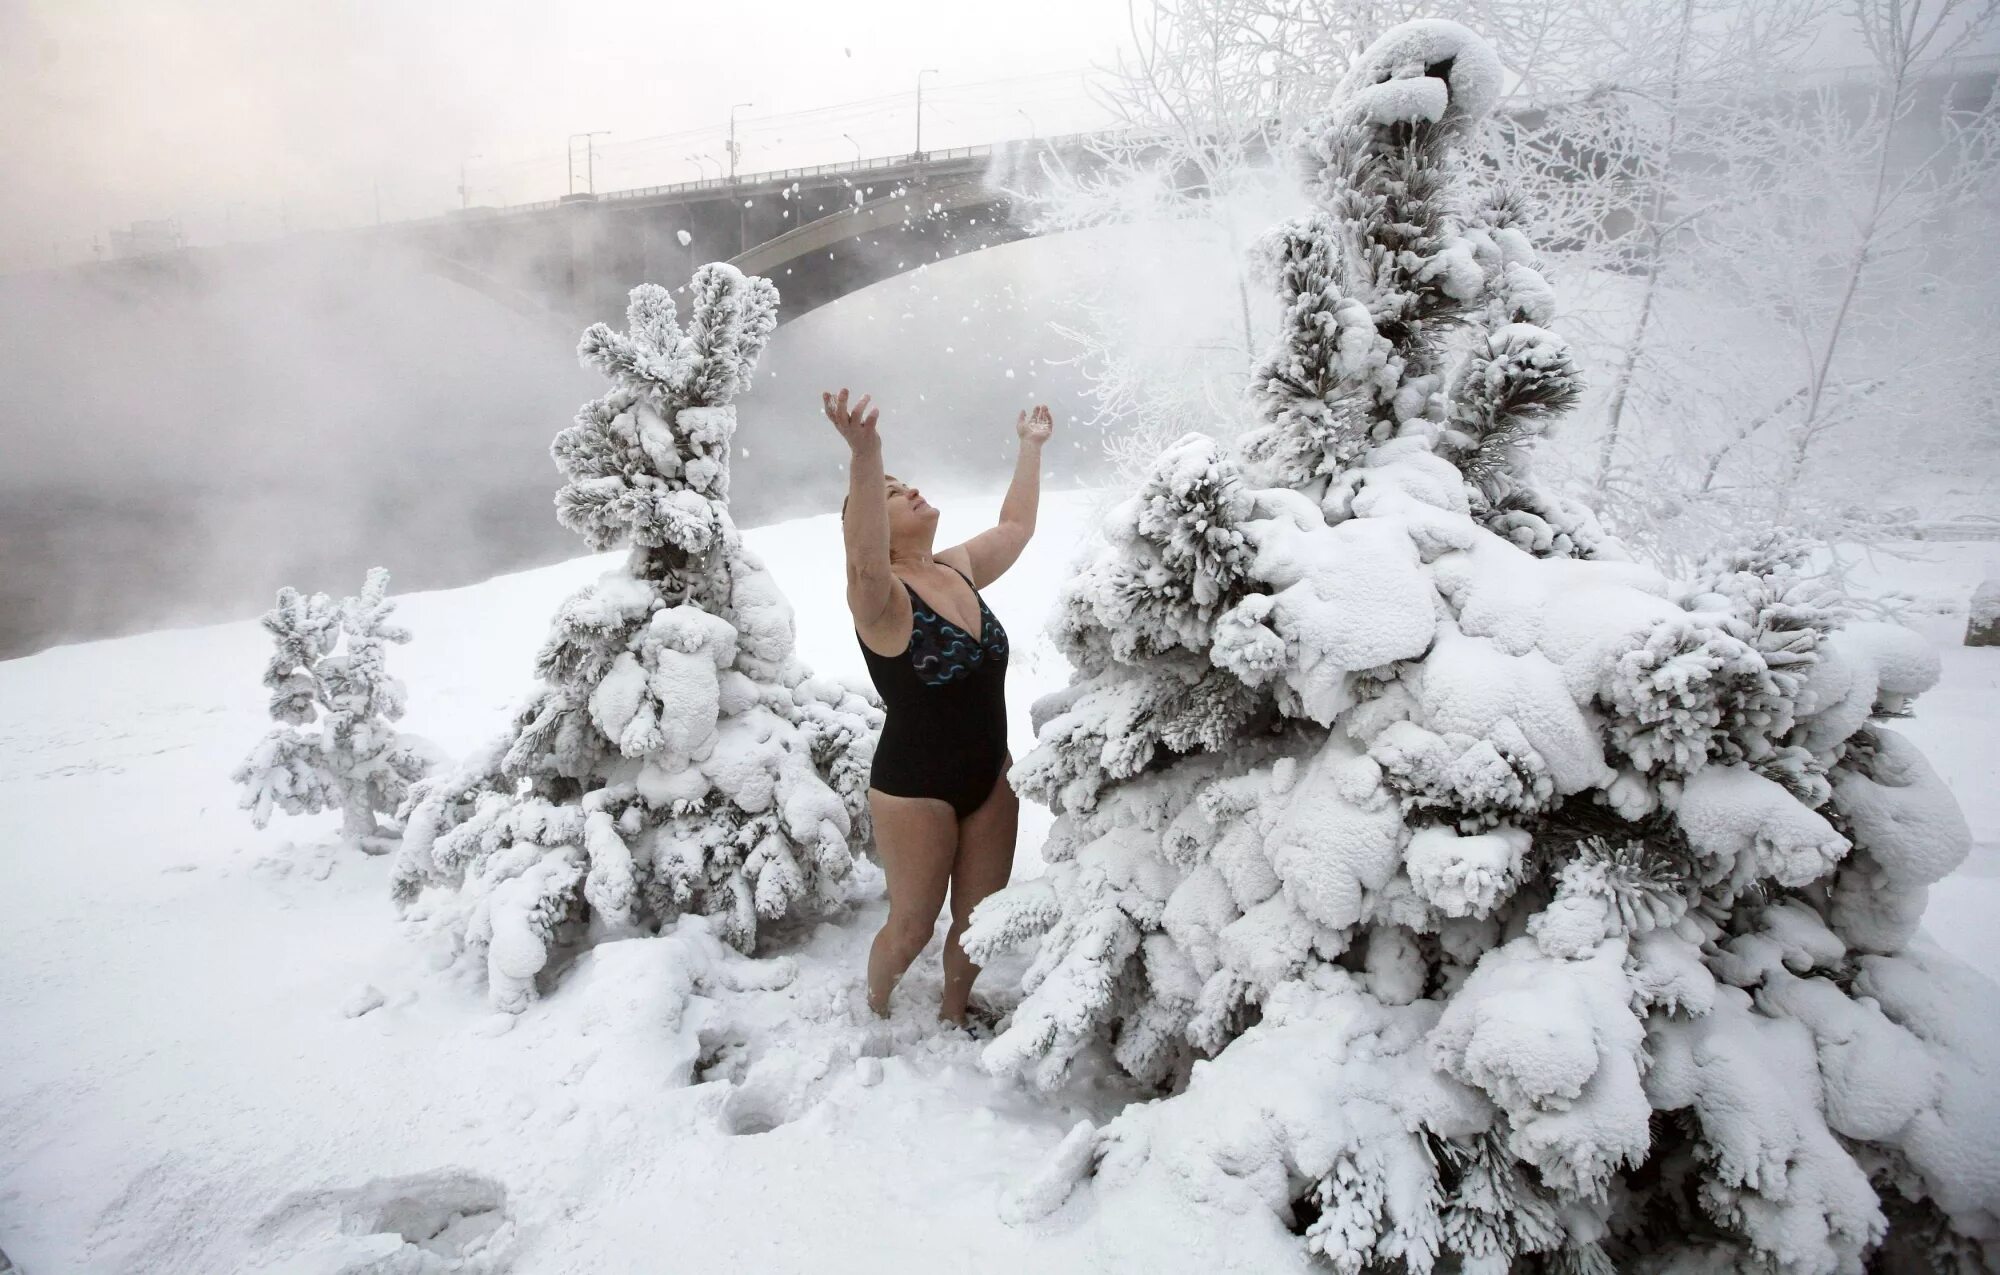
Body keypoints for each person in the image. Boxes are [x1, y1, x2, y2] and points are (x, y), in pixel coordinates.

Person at [821, 386, 1053, 1025]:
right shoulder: (882, 601)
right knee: (912, 926)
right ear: (872, 524)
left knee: (980, 919)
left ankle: (956, 1011)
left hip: (991, 776)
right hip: (913, 789)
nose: (909, 491)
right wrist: (867, 456)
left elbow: (1016, 527)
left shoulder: (956, 569)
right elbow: (865, 561)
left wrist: (1029, 448)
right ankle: (873, 1012)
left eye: (903, 485)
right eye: (892, 495)